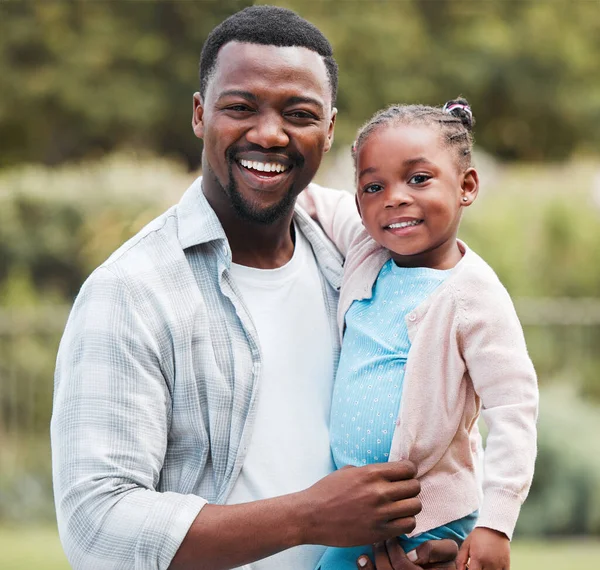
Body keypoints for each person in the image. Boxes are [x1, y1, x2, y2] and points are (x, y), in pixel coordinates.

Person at [51, 6, 458, 570]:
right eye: (240, 108)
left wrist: (436, 542)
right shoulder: (131, 292)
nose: (269, 134)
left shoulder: (357, 266)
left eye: (299, 113)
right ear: (200, 114)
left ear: (330, 129)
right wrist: (306, 518)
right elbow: (96, 525)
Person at [298, 99, 539, 570]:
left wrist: (496, 523)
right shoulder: (369, 250)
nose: (394, 197)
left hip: (429, 514)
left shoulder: (474, 296)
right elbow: (307, 197)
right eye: (373, 186)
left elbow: (514, 410)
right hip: (357, 508)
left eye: (419, 179)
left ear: (466, 186)